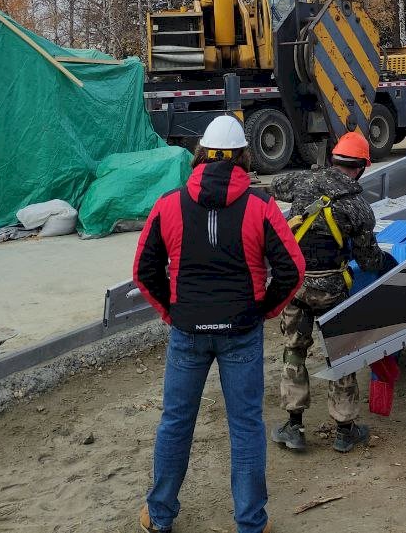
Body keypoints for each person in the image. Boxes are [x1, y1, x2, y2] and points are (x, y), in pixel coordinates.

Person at [133, 115, 305, 533]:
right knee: (246, 426)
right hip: (240, 332)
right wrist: (264, 308)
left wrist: (172, 311)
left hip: (188, 332)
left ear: (201, 155)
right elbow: (292, 269)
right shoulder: (260, 207)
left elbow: (144, 269)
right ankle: (250, 522)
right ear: (244, 157)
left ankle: (159, 517)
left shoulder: (169, 204)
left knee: (175, 422)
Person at [269, 130, 394, 454]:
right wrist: (389, 263)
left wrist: (309, 177)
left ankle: (294, 427)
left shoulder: (301, 183)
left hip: (296, 285)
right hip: (332, 290)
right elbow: (368, 260)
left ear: (334, 159)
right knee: (340, 351)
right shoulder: (358, 208)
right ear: (362, 167)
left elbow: (275, 186)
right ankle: (344, 430)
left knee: (294, 350)